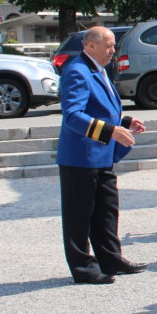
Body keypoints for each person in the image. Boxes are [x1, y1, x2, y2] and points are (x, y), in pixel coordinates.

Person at [57, 26, 147, 285]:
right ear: (91, 45)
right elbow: (73, 115)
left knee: (107, 211)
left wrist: (125, 121)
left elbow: (100, 108)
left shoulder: (97, 69)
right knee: (79, 217)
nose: (113, 51)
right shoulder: (77, 71)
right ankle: (83, 268)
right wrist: (111, 131)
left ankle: (111, 258)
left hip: (101, 155)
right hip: (80, 157)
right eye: (108, 45)